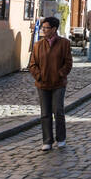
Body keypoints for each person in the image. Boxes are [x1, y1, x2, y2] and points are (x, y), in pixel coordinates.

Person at [29, 16, 73, 151]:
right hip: (42, 84)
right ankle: (47, 140)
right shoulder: (38, 45)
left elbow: (68, 63)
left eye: (46, 28)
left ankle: (61, 138)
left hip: (58, 84)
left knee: (58, 111)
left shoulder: (64, 43)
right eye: (43, 28)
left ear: (54, 29)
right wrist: (39, 76)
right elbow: (32, 64)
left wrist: (60, 74)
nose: (43, 30)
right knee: (45, 113)